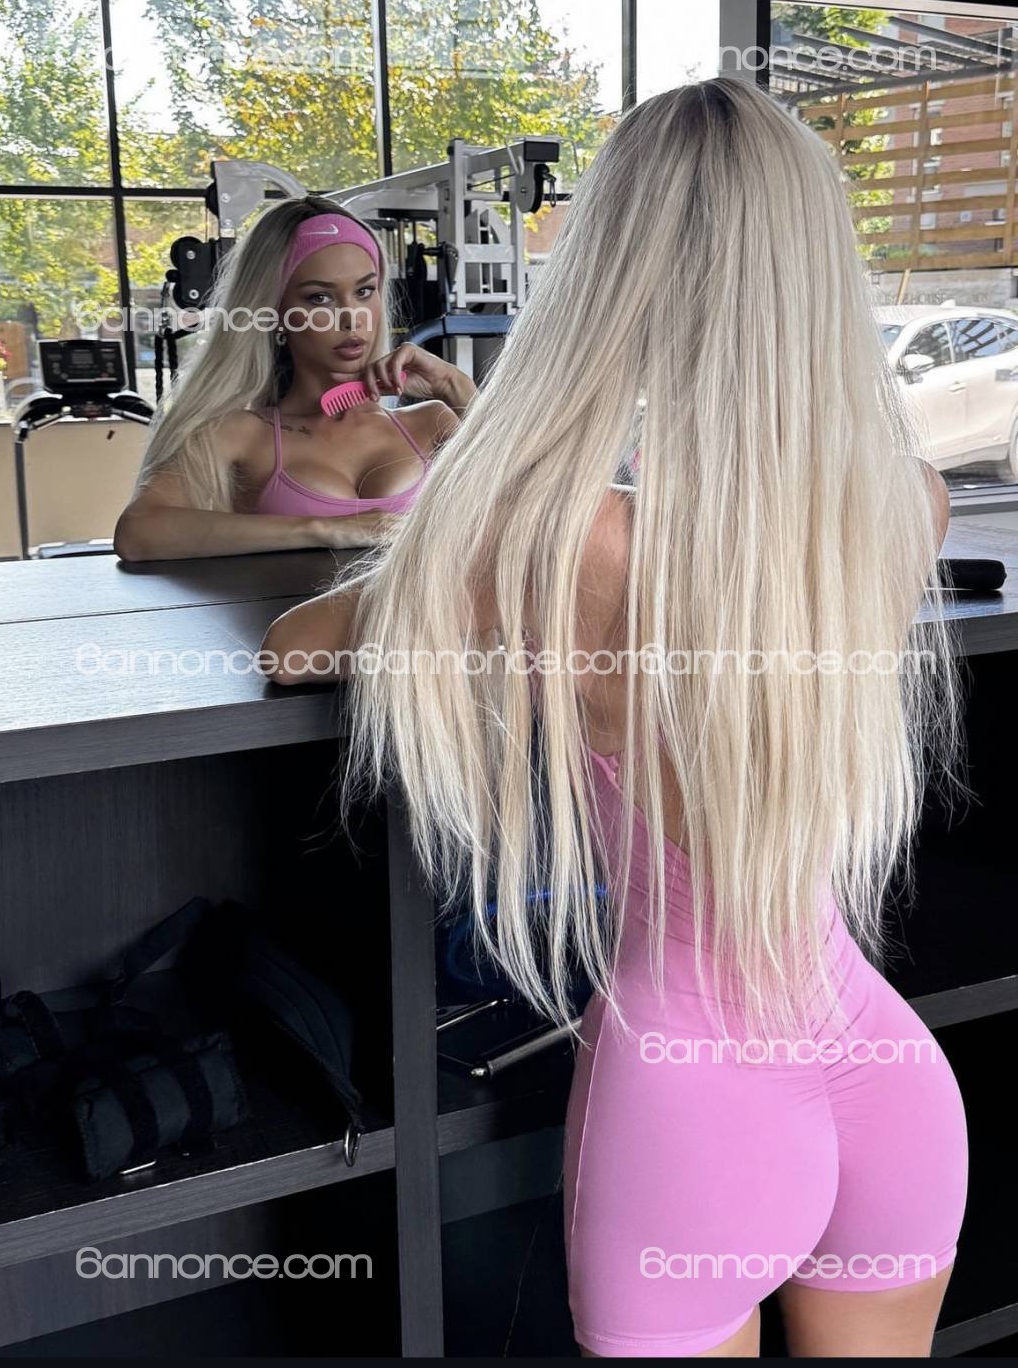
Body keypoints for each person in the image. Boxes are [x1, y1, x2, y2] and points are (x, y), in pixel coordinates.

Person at [260, 79, 967, 1358]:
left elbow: (296, 647)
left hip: (694, 1108)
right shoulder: (903, 505)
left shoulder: (553, 539)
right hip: (889, 1077)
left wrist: (455, 495)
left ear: (609, 276)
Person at [114, 195, 475, 560]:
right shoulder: (240, 433)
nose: (352, 318)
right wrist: (324, 529)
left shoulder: (432, 423)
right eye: (320, 298)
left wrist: (455, 387)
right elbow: (138, 531)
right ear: (274, 313)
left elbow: (515, 513)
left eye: (364, 291)